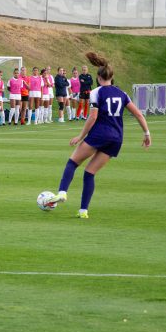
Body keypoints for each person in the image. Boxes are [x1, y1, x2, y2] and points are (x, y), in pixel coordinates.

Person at [48, 53, 151, 219]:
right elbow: (139, 114)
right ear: (112, 76)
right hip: (116, 139)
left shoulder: (96, 92)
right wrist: (147, 133)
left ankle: (62, 192)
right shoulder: (122, 93)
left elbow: (93, 117)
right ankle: (83, 211)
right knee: (89, 173)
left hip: (100, 134)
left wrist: (80, 136)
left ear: (98, 77)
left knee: (72, 162)